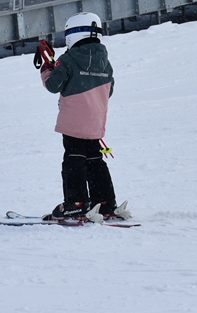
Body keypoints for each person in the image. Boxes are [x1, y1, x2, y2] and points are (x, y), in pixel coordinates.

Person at [34, 12, 130, 223]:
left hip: (73, 122)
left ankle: (75, 204)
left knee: (73, 159)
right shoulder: (105, 61)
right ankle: (105, 203)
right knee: (95, 159)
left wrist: (47, 69)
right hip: (96, 121)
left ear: (74, 34)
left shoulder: (68, 59)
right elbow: (109, 89)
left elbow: (53, 85)